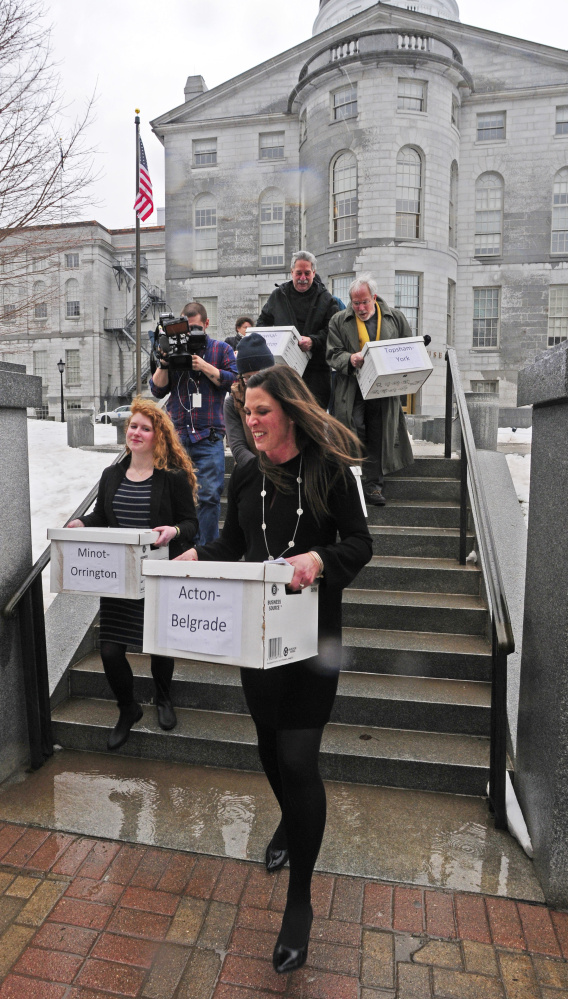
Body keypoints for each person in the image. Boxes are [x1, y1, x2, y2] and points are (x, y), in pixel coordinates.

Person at [174, 366, 372, 974]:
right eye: (246, 410)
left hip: (312, 642)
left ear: (289, 409)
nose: (250, 420)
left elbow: (360, 543)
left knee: (297, 760)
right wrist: (193, 556)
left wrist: (320, 559)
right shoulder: (245, 474)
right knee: (268, 750)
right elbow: (233, 545)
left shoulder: (329, 469)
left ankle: (300, 901)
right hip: (257, 642)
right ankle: (291, 820)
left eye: (261, 410)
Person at [67, 398, 198, 751]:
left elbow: (191, 524)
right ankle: (128, 708)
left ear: (158, 435)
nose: (136, 432)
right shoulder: (111, 475)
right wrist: (82, 522)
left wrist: (173, 531)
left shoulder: (172, 478)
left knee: (159, 646)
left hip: (157, 572)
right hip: (119, 576)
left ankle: (163, 697)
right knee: (110, 651)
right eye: (133, 426)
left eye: (145, 428)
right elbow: (102, 516)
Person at [150, 301, 237, 544]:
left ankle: (205, 552)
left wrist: (205, 366)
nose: (190, 334)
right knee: (172, 499)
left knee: (208, 497)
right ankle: (178, 550)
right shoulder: (171, 349)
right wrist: (164, 363)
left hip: (208, 436)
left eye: (196, 328)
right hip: (177, 437)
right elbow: (157, 390)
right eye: (185, 329)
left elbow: (234, 381)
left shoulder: (221, 349)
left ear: (207, 324)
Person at [327, 275, 414, 506]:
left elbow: (408, 348)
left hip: (382, 388)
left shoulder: (395, 318)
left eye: (365, 302)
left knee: (378, 432)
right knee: (355, 429)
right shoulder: (338, 320)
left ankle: (374, 486)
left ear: (374, 298)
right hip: (351, 388)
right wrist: (349, 358)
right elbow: (332, 354)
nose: (361, 308)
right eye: (355, 303)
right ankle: (354, 482)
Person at [256, 250, 339, 410]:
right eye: (299, 273)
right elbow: (262, 323)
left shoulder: (327, 299)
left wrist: (313, 341)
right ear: (291, 272)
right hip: (284, 373)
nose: (303, 278)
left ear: (314, 272)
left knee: (314, 418)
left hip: (316, 373)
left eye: (307, 273)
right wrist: (274, 341)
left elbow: (333, 332)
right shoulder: (278, 296)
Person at [224, 332, 275, 467]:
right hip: (251, 469)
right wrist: (259, 470)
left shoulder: (284, 393)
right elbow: (238, 446)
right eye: (247, 377)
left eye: (258, 376)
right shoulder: (233, 402)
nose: (253, 383)